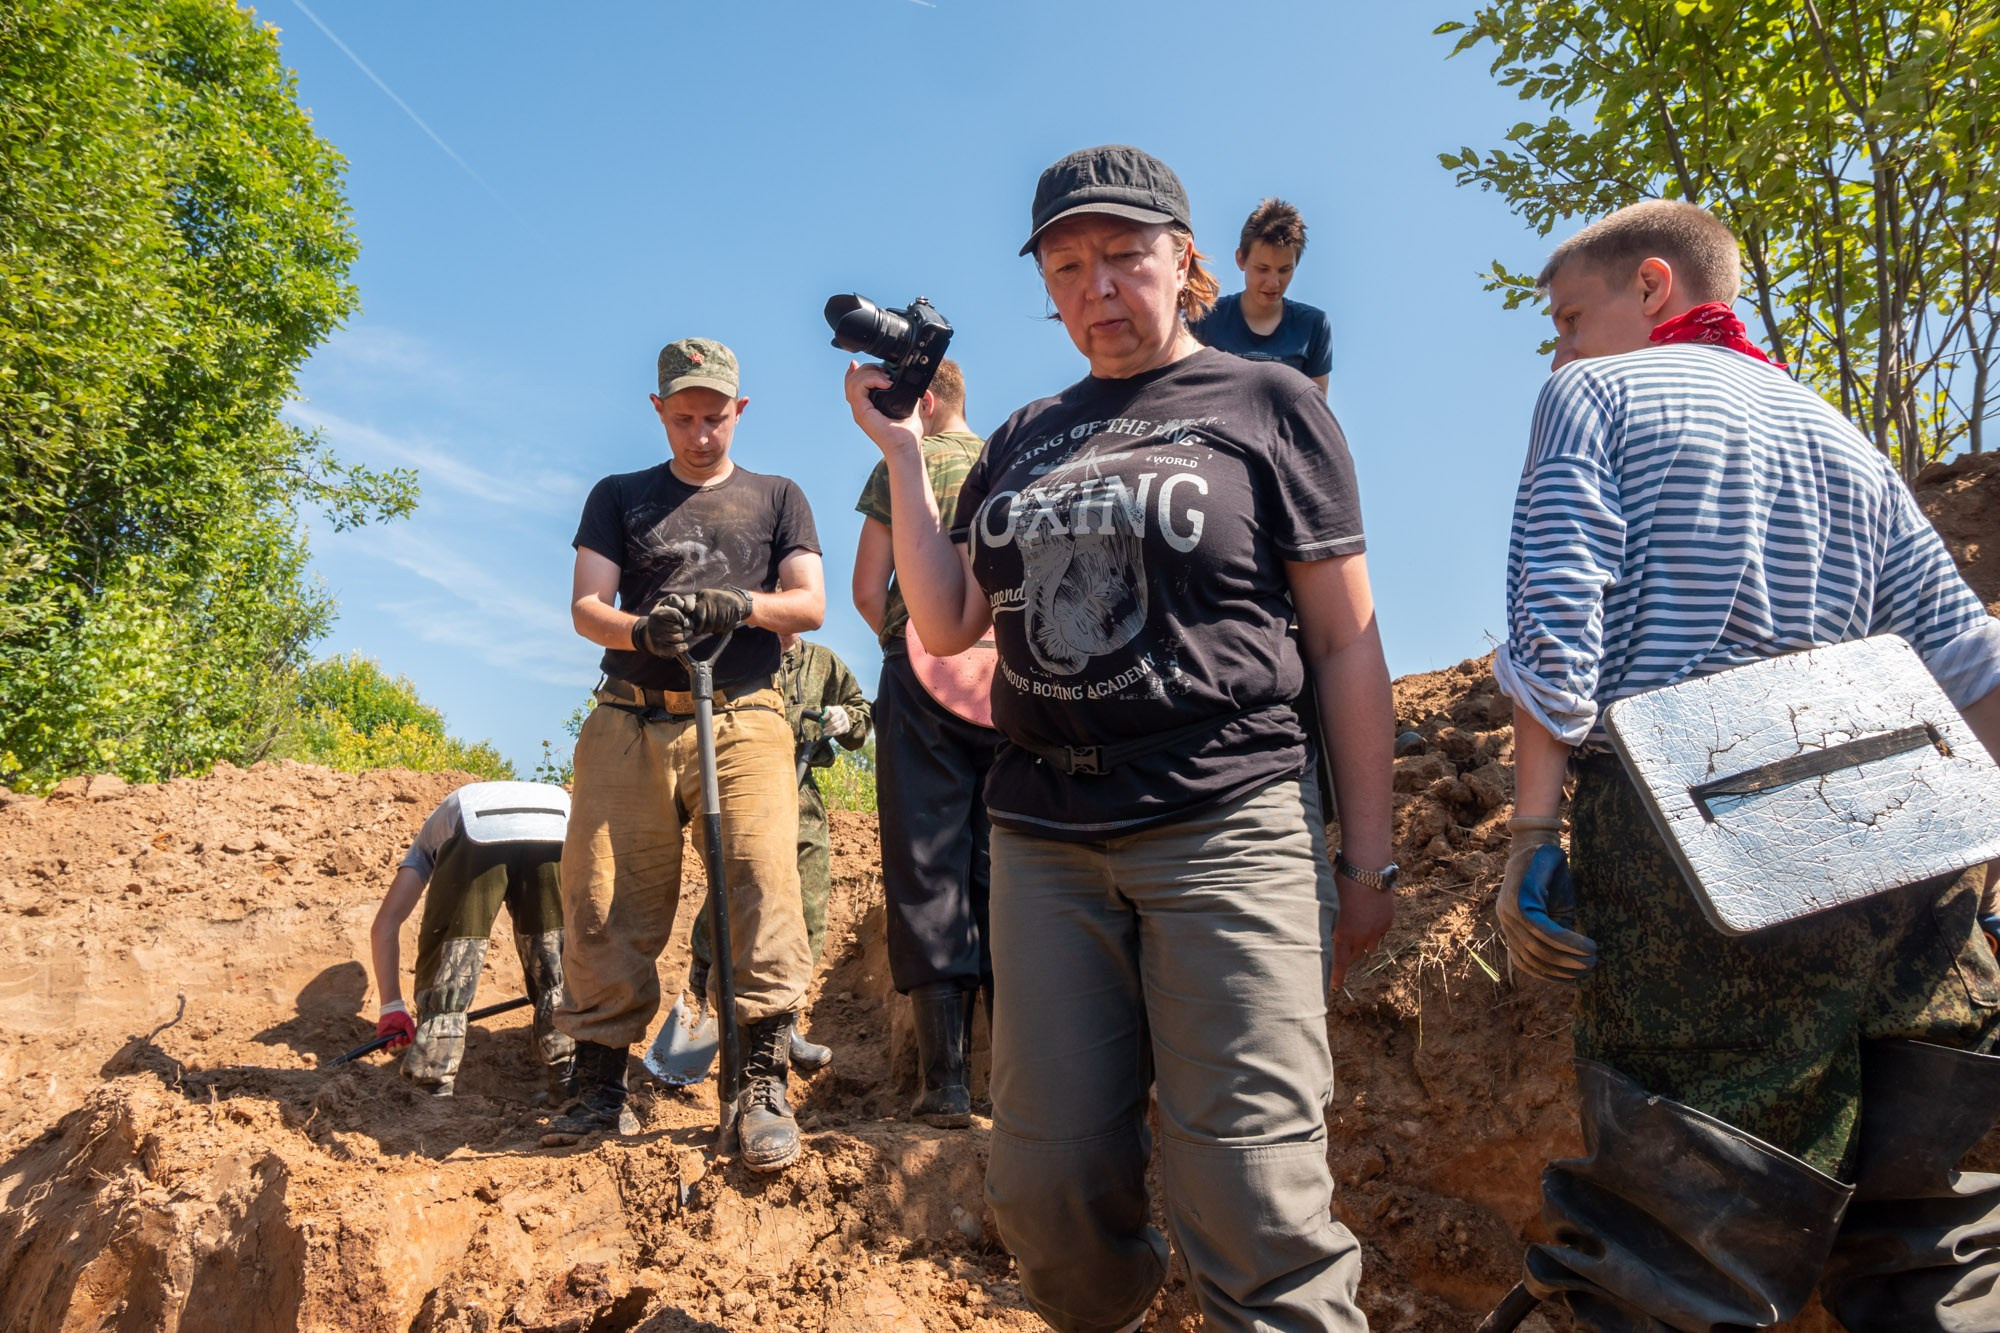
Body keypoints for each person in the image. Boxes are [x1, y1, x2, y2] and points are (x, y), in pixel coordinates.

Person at [844, 144, 1395, 1333]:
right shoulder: (1026, 433)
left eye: (1124, 256)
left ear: (1181, 262)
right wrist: (900, 452)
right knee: (1041, 1187)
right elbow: (944, 619)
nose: (1096, 285)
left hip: (1224, 821)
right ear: (1044, 280)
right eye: (1067, 262)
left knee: (1250, 1190)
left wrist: (1364, 859)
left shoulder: (1268, 405)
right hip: (1046, 839)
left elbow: (1346, 644)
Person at [1493, 199, 2000, 1330]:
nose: (1561, 346)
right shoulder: (1837, 432)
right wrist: (1985, 848)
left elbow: (1554, 638)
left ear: (1655, 287)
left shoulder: (1590, 395)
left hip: (1696, 833)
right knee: (1930, 1240)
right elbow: (1971, 662)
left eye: (1570, 316)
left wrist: (1531, 837)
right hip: (1903, 849)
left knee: (1680, 1259)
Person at [550, 336, 826, 1173]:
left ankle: (757, 1083)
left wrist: (740, 604)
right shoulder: (619, 495)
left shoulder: (779, 496)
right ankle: (598, 1080)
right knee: (603, 893)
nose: (701, 433)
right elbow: (585, 606)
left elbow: (808, 605)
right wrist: (644, 628)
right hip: (628, 716)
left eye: (716, 417)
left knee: (759, 879)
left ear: (739, 410)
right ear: (658, 411)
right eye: (684, 417)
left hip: (743, 714)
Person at [851, 356, 1004, 1128]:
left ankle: (945, 1084)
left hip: (918, 671)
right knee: (1004, 862)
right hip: (1010, 683)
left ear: (928, 402)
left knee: (926, 859)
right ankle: (1018, 1086)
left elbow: (866, 585)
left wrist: (901, 631)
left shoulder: (901, 463)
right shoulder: (1011, 455)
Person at [675, 631, 871, 1072]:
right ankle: (705, 1004)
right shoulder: (737, 655)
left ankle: (782, 1026)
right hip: (744, 789)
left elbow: (861, 716)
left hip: (801, 796)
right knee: (738, 891)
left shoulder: (823, 662)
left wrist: (847, 719)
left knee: (807, 908)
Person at [368, 780, 573, 1098]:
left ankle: (431, 1085)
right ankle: (568, 1080)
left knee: (452, 948)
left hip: (473, 822)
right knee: (555, 961)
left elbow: (386, 923)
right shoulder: (553, 800)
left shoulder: (427, 841)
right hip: (556, 819)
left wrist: (392, 1007)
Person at [1189, 198, 1333, 395]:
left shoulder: (1313, 326)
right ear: (1241, 259)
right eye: (1262, 269)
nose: (1273, 282)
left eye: (1284, 270)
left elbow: (1316, 413)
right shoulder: (1204, 317)